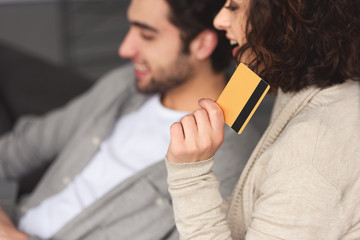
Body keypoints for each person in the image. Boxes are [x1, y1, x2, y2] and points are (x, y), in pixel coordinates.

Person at [0, 0, 264, 239]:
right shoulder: (124, 84)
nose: (125, 49)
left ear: (202, 44)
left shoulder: (235, 158)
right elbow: (21, 148)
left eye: (147, 35)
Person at [166, 0, 360, 239]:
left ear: (286, 16)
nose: (219, 21)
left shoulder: (308, 158)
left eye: (234, 7)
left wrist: (190, 178)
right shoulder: (307, 88)